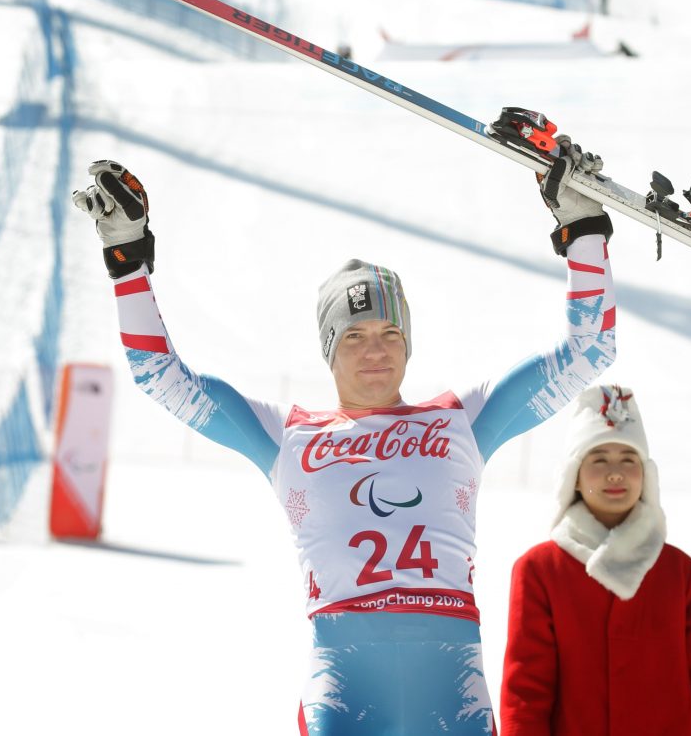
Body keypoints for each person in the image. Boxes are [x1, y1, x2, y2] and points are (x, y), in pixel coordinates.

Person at [71, 126, 617, 735]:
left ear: (408, 343)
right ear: (329, 349)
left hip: (451, 688)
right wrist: (126, 256)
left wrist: (583, 232)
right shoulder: (287, 437)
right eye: (354, 337)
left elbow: (588, 352)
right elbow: (161, 376)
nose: (374, 352)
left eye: (389, 334)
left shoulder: (461, 421)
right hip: (345, 689)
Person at [501, 384, 691, 736]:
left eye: (629, 460)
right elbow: (525, 694)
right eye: (599, 460)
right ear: (575, 478)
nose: (616, 473)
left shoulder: (679, 572)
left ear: (646, 476)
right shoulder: (540, 570)